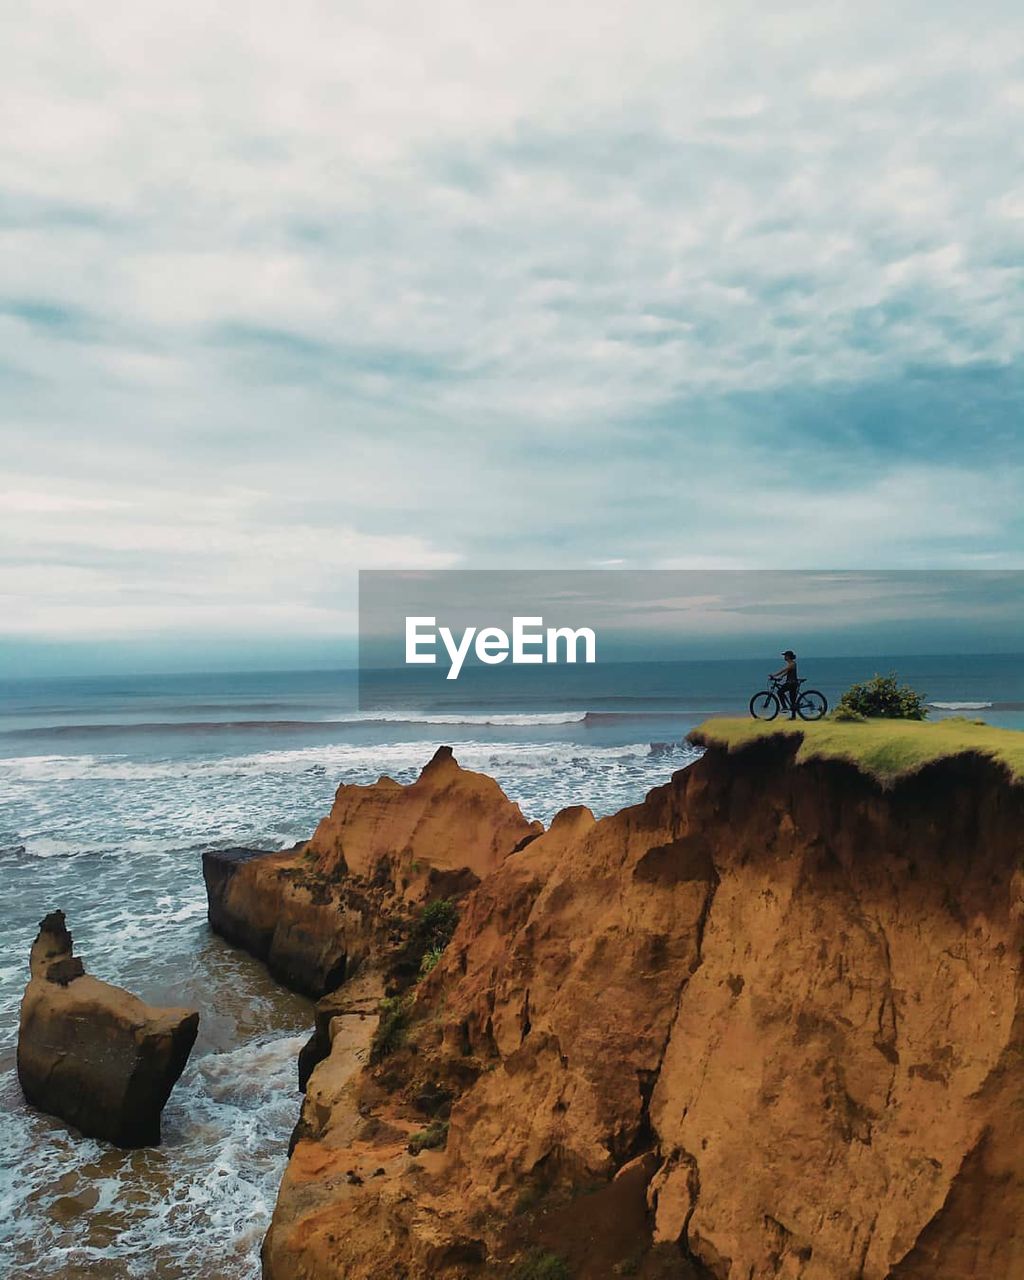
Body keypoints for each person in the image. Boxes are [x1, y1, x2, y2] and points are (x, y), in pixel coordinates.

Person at [771, 650, 800, 719]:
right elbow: (786, 672)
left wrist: (774, 675)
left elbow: (784, 670)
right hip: (793, 683)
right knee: (792, 701)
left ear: (788, 657)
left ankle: (784, 707)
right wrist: (780, 677)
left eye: (785, 656)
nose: (784, 657)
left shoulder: (792, 664)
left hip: (791, 683)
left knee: (779, 692)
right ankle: (793, 717)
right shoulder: (791, 664)